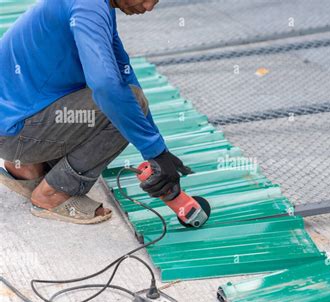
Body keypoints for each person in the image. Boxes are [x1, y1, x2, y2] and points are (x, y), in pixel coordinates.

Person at [0, 0, 190, 224]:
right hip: (14, 134)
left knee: (120, 91)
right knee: (118, 100)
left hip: (12, 120)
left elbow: (123, 73)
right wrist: (154, 151)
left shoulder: (97, 5)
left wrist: (160, 151)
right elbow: (108, 87)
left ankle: (28, 168)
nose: (149, 7)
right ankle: (53, 194)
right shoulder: (89, 7)